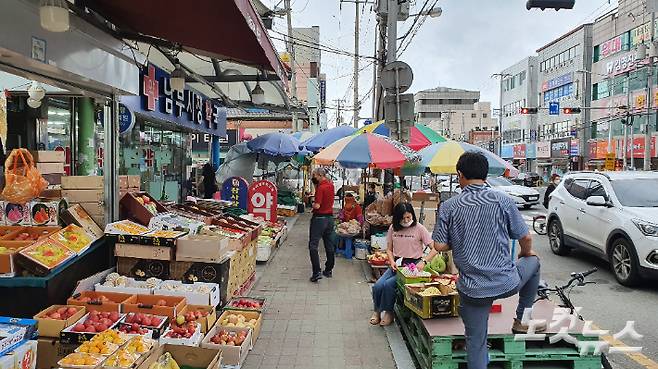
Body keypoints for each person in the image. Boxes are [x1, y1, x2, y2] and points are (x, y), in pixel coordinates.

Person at [432, 152, 544, 369]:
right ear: (485, 175)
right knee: (534, 262)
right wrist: (525, 253)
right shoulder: (503, 200)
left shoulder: (449, 206)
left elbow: (439, 246)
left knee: (476, 343)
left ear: (460, 175)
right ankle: (522, 319)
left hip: (473, 290)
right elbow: (526, 237)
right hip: (507, 283)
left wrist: (459, 240)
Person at [371, 202, 439, 326]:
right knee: (378, 285)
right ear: (397, 218)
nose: (406, 220)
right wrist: (391, 261)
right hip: (397, 263)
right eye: (403, 218)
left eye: (409, 217)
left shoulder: (419, 228)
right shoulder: (393, 228)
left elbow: (434, 248)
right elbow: (389, 249)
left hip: (413, 266)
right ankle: (377, 311)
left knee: (389, 285)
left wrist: (423, 261)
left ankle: (389, 312)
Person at [308, 168, 336, 282]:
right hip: (329, 219)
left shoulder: (321, 188)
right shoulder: (331, 186)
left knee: (313, 245)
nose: (313, 177)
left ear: (320, 175)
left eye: (314, 175)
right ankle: (328, 270)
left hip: (319, 219)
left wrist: (312, 204)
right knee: (329, 245)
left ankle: (316, 272)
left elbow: (318, 206)